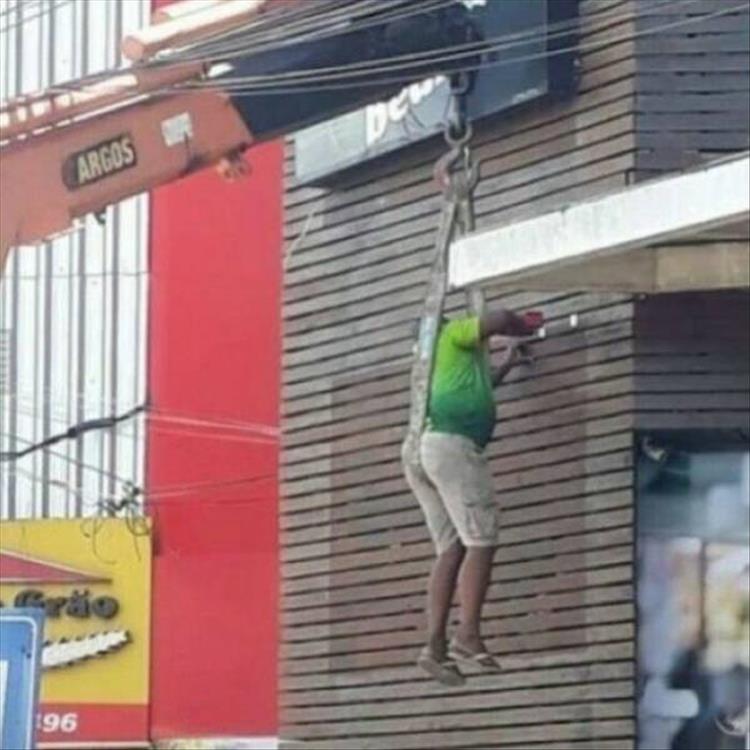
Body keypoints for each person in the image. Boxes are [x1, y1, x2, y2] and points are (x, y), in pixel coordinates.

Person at [404, 307, 542, 686]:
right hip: (452, 445)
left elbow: (474, 388)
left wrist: (506, 363)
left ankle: (434, 647)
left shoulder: (429, 363)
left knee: (451, 549)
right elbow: (497, 318)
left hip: (419, 450)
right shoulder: (450, 335)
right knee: (482, 540)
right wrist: (522, 325)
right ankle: (467, 633)